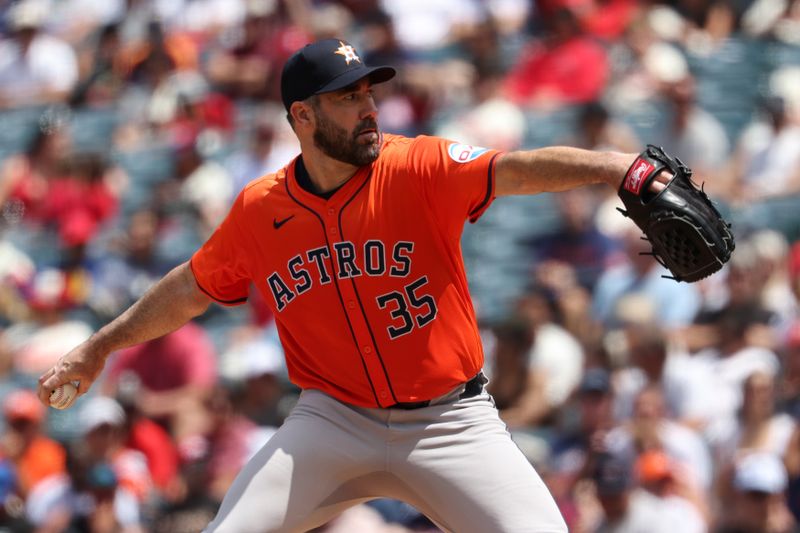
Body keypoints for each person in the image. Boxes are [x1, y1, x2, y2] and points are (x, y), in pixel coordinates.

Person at [37, 38, 672, 532]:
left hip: (450, 422)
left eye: (369, 92)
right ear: (303, 116)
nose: (370, 108)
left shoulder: (414, 165)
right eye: (348, 98)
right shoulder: (261, 210)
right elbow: (192, 287)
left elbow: (515, 169)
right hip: (332, 421)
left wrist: (616, 167)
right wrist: (99, 346)